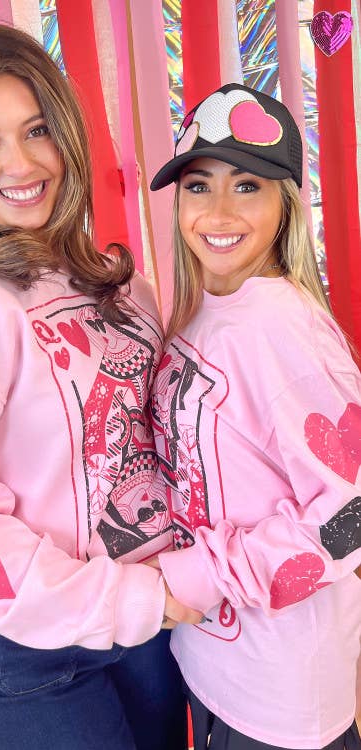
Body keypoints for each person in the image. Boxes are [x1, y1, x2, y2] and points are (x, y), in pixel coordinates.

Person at [0, 24, 201, 750]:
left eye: (36, 129)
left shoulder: (123, 286)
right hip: (40, 652)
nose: (21, 163)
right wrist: (127, 600)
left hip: (152, 629)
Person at [149, 82, 361, 750]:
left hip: (280, 693)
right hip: (212, 662)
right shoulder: (202, 312)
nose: (218, 211)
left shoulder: (280, 328)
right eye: (198, 185)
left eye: (247, 186)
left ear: (285, 203)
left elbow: (350, 514)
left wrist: (196, 578)